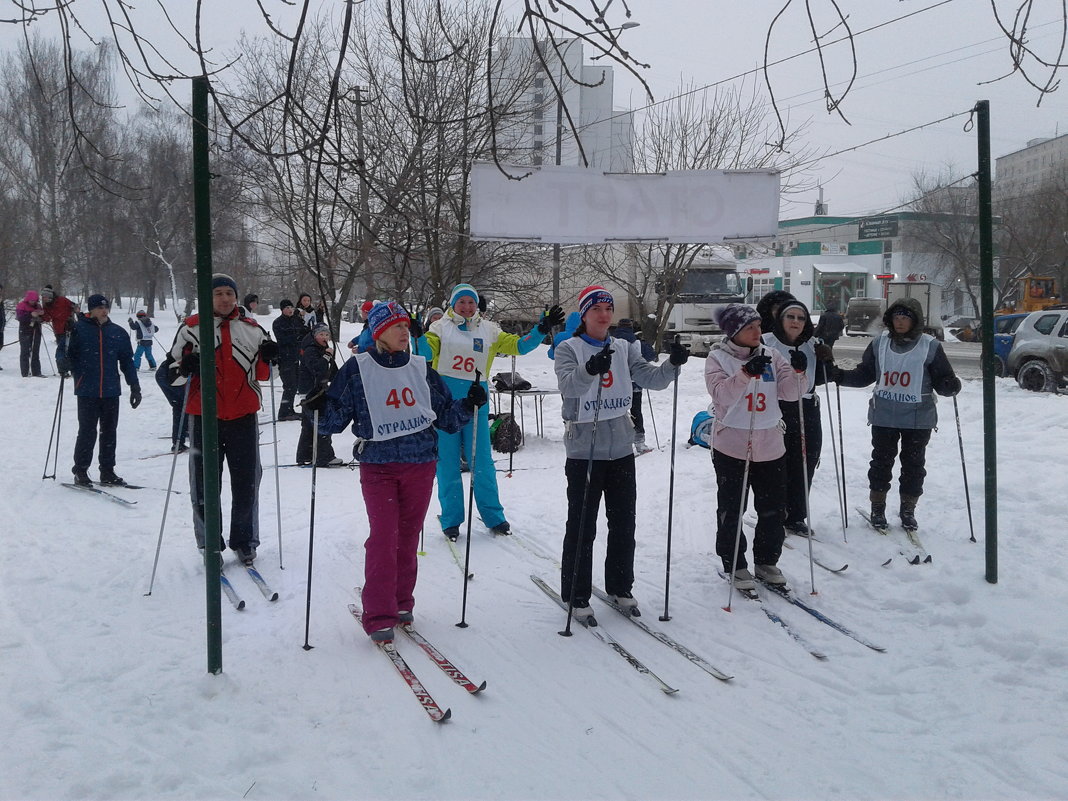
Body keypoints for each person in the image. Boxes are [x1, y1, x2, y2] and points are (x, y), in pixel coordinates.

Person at [313, 300, 484, 642]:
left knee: (406, 538)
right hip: (379, 466)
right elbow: (332, 422)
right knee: (383, 538)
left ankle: (402, 602)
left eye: (406, 325)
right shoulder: (358, 368)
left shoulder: (421, 367)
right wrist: (318, 405)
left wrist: (470, 403)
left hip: (420, 463)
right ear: (378, 332)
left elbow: (447, 417)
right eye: (396, 326)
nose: (405, 331)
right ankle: (378, 614)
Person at [553, 286, 688, 620]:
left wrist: (672, 363)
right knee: (583, 525)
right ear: (584, 314)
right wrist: (589, 369)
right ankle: (575, 593)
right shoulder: (568, 348)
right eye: (596, 309)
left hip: (620, 450)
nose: (603, 315)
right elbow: (569, 386)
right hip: (585, 450)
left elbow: (651, 379)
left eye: (608, 309)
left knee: (624, 522)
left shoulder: (624, 348)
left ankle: (619, 585)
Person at [417, 283, 564, 540]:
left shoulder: (488, 330)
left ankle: (493, 515)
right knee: (447, 463)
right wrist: (416, 336)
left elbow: (519, 346)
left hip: (476, 399)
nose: (466, 307)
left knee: (482, 462)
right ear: (453, 304)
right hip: (445, 401)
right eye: (461, 302)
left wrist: (541, 329)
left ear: (477, 305)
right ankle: (451, 519)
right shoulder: (440, 328)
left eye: (471, 302)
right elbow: (424, 353)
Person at [822, 297, 960, 531]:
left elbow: (942, 380)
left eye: (905, 317)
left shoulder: (930, 345)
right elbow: (866, 374)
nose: (900, 321)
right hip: (884, 415)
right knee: (881, 464)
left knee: (913, 466)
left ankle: (908, 509)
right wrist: (841, 376)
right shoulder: (879, 343)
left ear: (915, 320)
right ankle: (878, 507)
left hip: (918, 418)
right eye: (896, 316)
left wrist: (949, 385)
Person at [166, 273, 275, 564]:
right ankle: (210, 544)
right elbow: (170, 377)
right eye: (218, 293)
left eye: (229, 292)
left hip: (243, 416)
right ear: (207, 297)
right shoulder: (191, 329)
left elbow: (267, 376)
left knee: (247, 482)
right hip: (204, 417)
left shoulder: (252, 329)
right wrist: (184, 365)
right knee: (204, 484)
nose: (225, 298)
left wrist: (271, 356)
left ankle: (245, 541)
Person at [705, 303, 807, 589]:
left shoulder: (772, 355)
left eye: (759, 326)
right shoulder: (717, 358)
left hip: (770, 444)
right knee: (732, 508)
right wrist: (745, 374)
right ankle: (735, 562)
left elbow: (790, 393)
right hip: (732, 446)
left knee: (773, 508)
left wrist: (799, 373)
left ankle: (767, 560)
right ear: (734, 331)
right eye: (749, 327)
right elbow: (721, 395)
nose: (757, 331)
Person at [56, 294, 142, 486]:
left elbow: (127, 362)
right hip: (87, 389)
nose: (104, 311)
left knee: (109, 431)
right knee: (87, 431)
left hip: (111, 390)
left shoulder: (118, 332)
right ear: (91, 310)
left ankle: (107, 471)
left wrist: (134, 386)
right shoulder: (77, 329)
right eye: (99, 308)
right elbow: (63, 350)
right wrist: (62, 361)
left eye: (106, 308)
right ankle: (80, 470)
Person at [762, 300, 825, 536]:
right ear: (781, 320)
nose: (796, 322)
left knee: (806, 460)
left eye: (801, 318)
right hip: (775, 407)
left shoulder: (813, 344)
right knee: (777, 463)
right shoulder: (766, 341)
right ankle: (775, 513)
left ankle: (796, 514)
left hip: (806, 406)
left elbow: (820, 377)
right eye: (791, 317)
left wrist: (827, 361)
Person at [296, 323, 342, 466]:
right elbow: (317, 369)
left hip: (318, 389)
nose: (324, 337)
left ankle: (306, 454)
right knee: (322, 421)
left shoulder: (321, 349)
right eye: (321, 334)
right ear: (314, 335)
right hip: (311, 392)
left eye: (326, 335)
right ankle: (324, 456)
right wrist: (327, 356)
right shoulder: (311, 350)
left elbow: (332, 370)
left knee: (310, 424)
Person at [611, 317, 658, 455]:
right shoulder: (637, 342)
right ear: (631, 327)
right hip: (635, 382)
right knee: (636, 411)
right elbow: (651, 355)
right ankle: (639, 443)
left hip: (616, 384)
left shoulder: (611, 340)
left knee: (617, 412)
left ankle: (617, 441)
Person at [272, 299, 306, 421]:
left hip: (295, 357)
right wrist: (295, 336)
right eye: (287, 308)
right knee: (289, 385)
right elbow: (282, 340)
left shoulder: (295, 320)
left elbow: (303, 332)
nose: (290, 310)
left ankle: (289, 409)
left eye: (291, 307)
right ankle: (284, 412)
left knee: (295, 384)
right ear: (282, 310)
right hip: (285, 358)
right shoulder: (278, 323)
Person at [154, 361, 189, 453]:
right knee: (186, 405)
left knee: (180, 407)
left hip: (164, 374)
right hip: (174, 377)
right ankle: (182, 435)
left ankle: (179, 441)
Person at [16, 290, 45, 377]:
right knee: (25, 351)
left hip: (37, 330)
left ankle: (36, 372)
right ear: (27, 299)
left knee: (35, 351)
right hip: (25, 330)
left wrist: (42, 315)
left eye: (35, 300)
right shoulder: (21, 305)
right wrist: (30, 315)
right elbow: (20, 317)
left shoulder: (38, 306)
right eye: (31, 300)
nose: (33, 302)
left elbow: (43, 318)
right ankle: (25, 372)